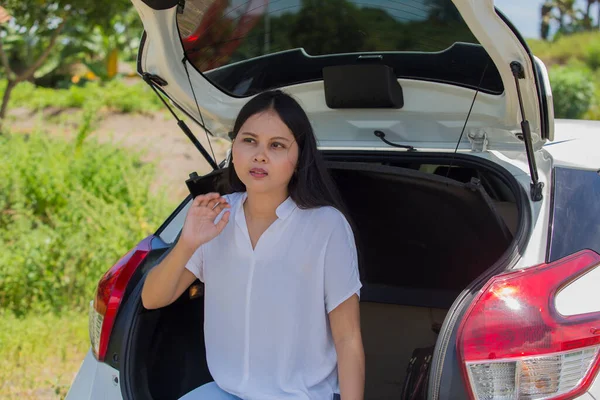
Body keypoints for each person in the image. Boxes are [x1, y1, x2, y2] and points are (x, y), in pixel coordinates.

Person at [141, 90, 365, 400]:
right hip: (225, 392)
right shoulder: (217, 215)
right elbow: (152, 299)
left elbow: (348, 338)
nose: (260, 155)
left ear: (299, 158)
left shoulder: (327, 227)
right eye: (249, 141)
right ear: (233, 149)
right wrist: (187, 244)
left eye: (276, 145)